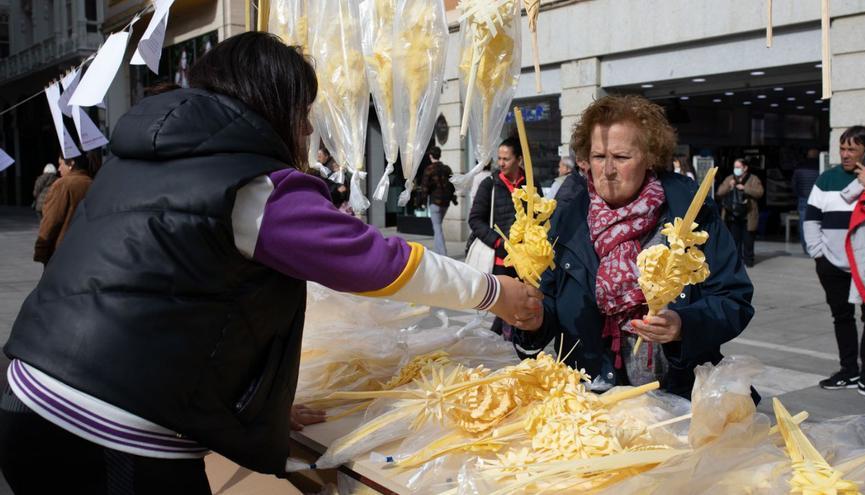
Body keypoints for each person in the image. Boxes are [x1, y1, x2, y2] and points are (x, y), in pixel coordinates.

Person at [0, 32, 543, 493]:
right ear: (272, 104)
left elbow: (177, 307)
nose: (306, 132)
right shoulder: (249, 184)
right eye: (303, 114)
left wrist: (250, 411)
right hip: (110, 435)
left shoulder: (142, 155)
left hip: (27, 396)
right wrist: (493, 292)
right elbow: (380, 262)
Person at [514, 95, 755, 399]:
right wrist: (533, 319)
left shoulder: (691, 214)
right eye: (599, 157)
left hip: (677, 397)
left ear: (650, 156)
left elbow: (734, 300)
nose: (608, 170)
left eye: (622, 157)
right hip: (589, 398)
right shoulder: (564, 217)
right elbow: (547, 302)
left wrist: (683, 325)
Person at [805, 125, 865, 397]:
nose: (846, 154)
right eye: (843, 148)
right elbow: (811, 217)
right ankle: (849, 370)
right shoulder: (826, 179)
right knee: (842, 317)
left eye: (853, 149)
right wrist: (818, 254)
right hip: (832, 264)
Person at [469, 137, 543, 339]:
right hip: (500, 259)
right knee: (505, 305)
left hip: (525, 260)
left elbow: (540, 216)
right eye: (499, 158)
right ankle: (504, 342)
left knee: (520, 306)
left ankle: (509, 343)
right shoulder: (489, 184)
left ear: (519, 159)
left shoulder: (531, 184)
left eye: (506, 159)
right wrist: (499, 243)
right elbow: (475, 220)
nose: (501, 163)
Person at [33, 153, 93, 264]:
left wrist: (40, 250)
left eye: (60, 164)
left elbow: (51, 221)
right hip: (87, 250)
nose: (59, 169)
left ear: (71, 163)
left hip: (62, 252)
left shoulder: (62, 185)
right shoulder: (92, 183)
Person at [717, 159, 764, 267]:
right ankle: (735, 262)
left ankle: (749, 261)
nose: (736, 169)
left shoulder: (753, 179)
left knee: (748, 241)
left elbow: (760, 192)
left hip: (748, 215)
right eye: (735, 167)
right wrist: (729, 186)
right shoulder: (730, 178)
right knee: (734, 240)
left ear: (745, 168)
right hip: (732, 215)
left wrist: (745, 188)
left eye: (738, 167)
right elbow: (719, 192)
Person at [420, 146, 457, 256]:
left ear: (431, 156)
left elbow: (425, 187)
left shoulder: (429, 169)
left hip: (435, 202)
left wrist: (421, 201)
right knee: (438, 226)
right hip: (445, 202)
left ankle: (442, 254)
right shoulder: (447, 169)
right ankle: (438, 252)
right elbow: (452, 185)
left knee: (437, 228)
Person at [792, 148, 821, 254]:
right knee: (818, 222)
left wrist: (798, 194)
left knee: (803, 223)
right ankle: (816, 246)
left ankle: (805, 247)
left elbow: (794, 184)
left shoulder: (799, 167)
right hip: (817, 199)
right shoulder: (820, 167)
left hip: (803, 198)